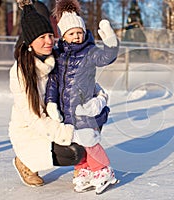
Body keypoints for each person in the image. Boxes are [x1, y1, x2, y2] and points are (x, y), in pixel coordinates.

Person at [9, 0, 99, 188]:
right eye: (42, 37)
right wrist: (69, 133)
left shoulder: (57, 58)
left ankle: (85, 168)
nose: (49, 41)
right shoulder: (21, 72)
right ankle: (25, 162)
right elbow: (35, 119)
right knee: (75, 151)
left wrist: (98, 97)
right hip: (32, 130)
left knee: (92, 121)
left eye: (51, 35)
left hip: (56, 120)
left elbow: (81, 79)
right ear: (30, 42)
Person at [45, 0, 119, 194]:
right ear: (63, 35)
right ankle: (83, 170)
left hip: (84, 108)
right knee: (75, 143)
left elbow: (106, 58)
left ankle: (103, 170)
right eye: (72, 33)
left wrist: (111, 42)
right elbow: (53, 82)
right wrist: (51, 102)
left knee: (90, 141)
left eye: (79, 32)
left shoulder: (90, 52)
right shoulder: (58, 55)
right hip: (65, 110)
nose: (77, 36)